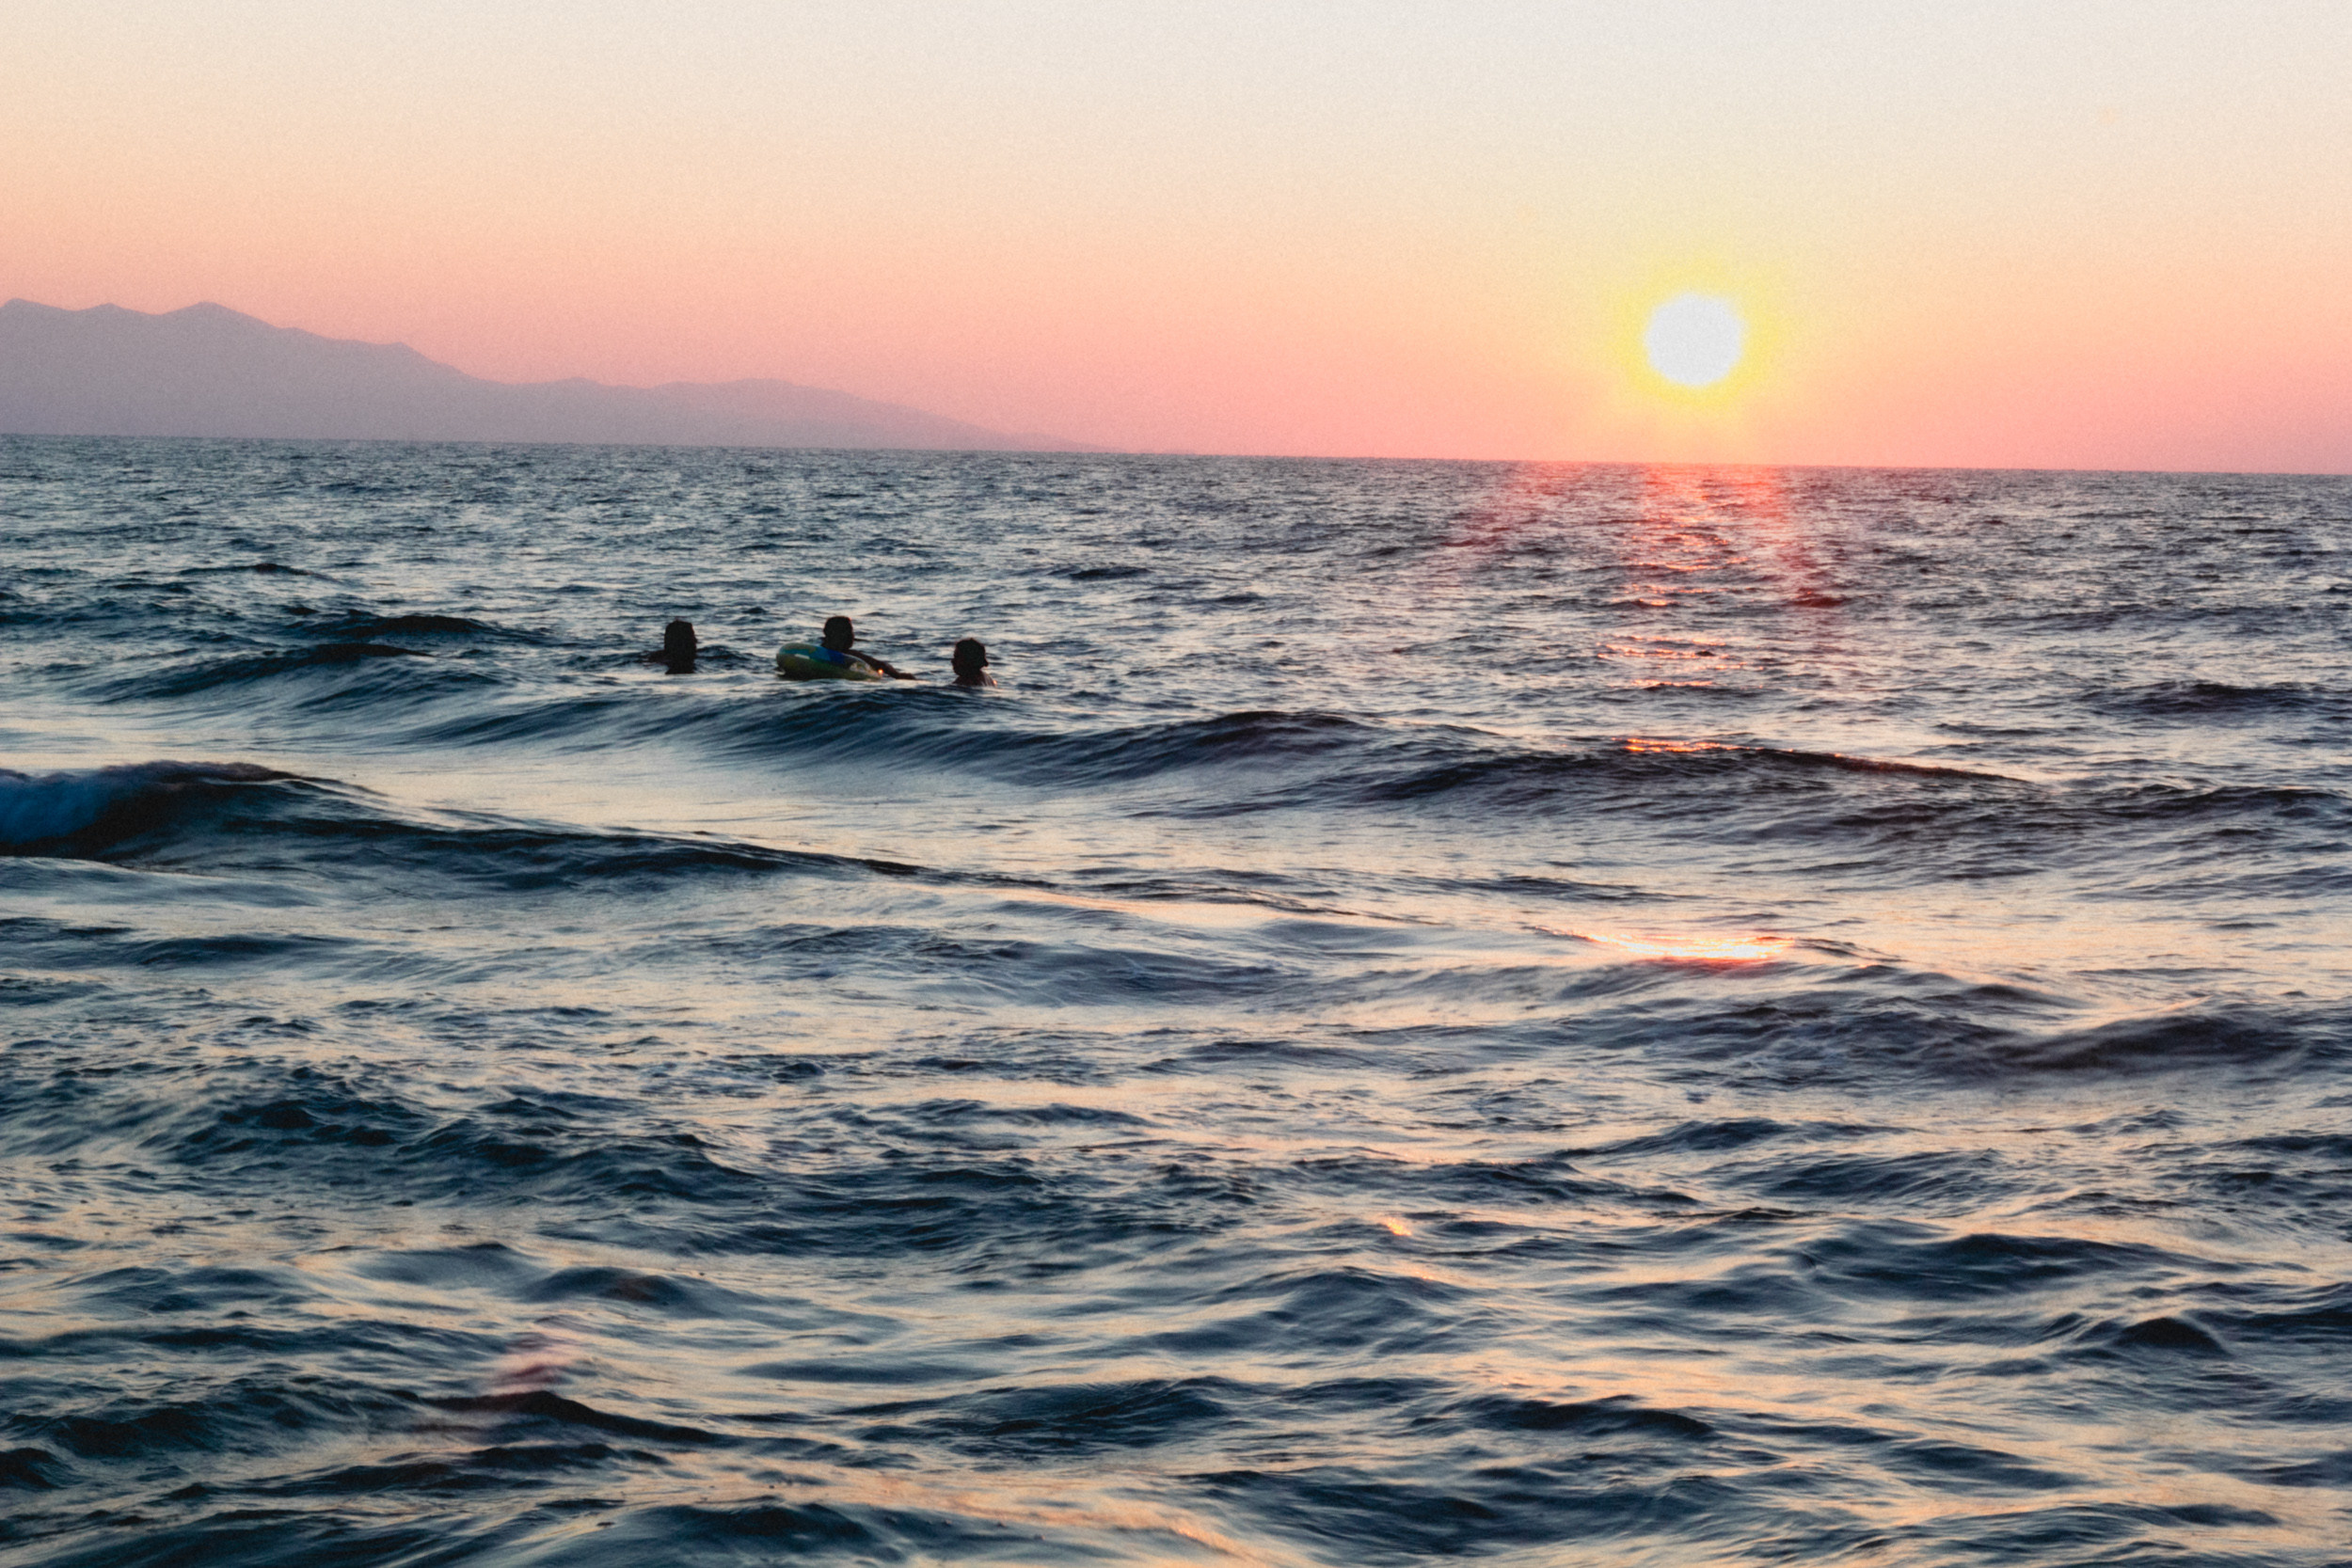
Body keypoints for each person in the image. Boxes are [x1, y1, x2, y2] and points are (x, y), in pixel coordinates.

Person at [821, 615, 911, 679]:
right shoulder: (849, 655)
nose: (852, 636)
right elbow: (882, 666)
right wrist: (898, 676)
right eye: (849, 632)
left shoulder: (818, 651)